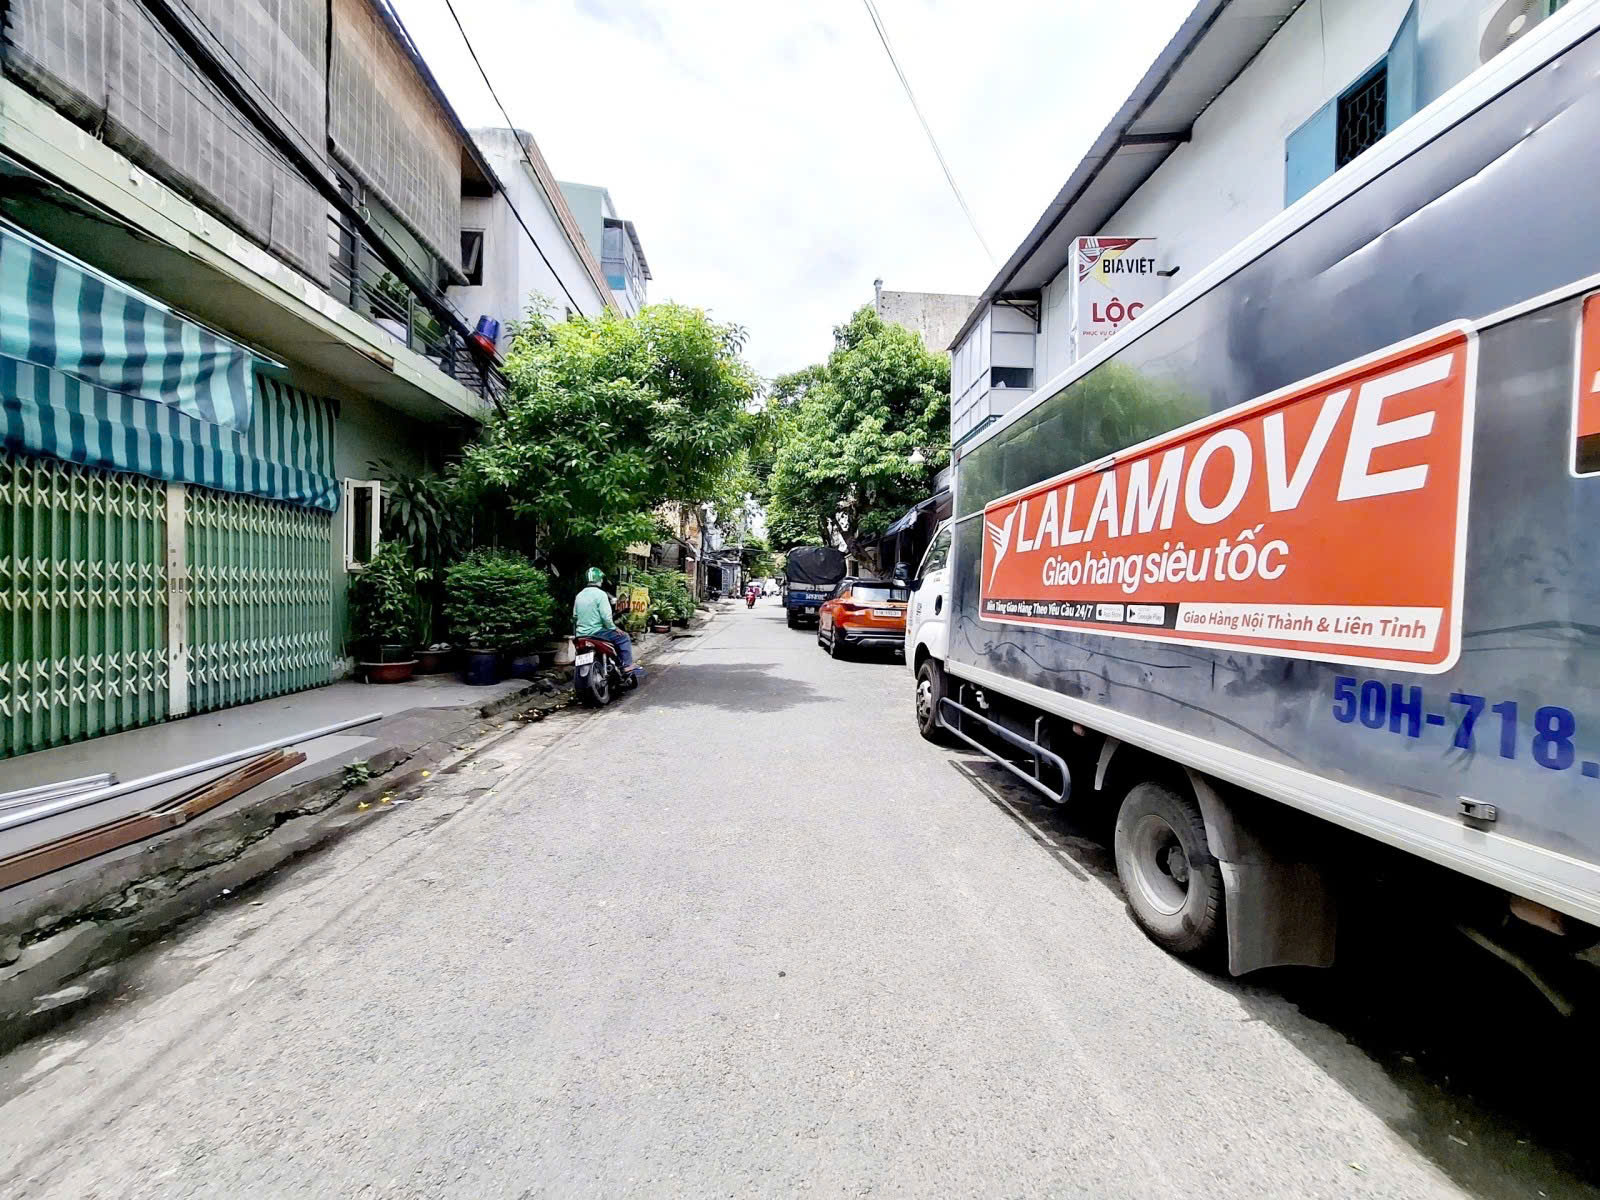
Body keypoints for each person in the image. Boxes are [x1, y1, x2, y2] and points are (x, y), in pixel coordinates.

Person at [574, 567, 643, 681]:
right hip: (597, 633)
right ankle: (627, 666)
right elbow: (606, 617)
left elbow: (575, 616)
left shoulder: (579, 595)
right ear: (599, 580)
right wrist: (614, 628)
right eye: (601, 579)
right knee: (624, 637)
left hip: (581, 634)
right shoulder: (601, 594)